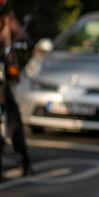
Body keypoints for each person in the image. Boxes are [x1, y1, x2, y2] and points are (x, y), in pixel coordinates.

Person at [0, 0, 33, 181]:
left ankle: (24, 157)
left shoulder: (8, 19)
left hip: (4, 74)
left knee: (11, 111)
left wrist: (26, 41)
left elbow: (21, 35)